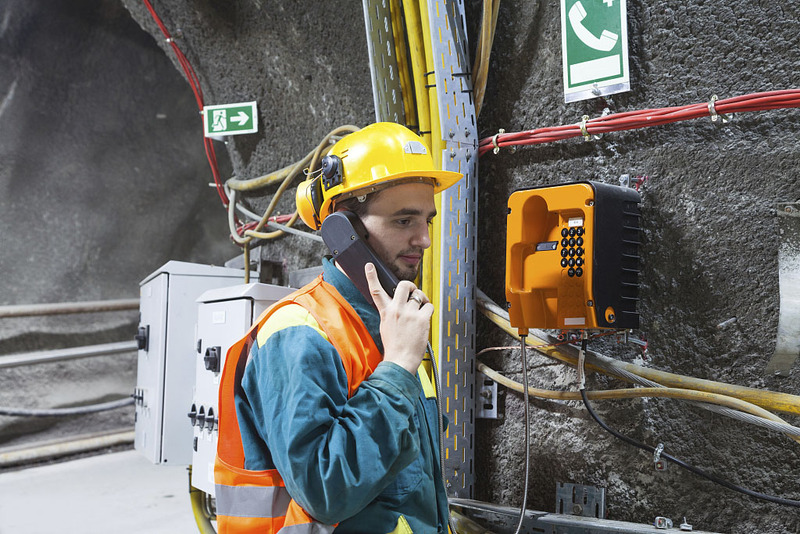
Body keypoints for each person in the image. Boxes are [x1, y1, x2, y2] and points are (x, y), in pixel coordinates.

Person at [215, 122, 463, 534]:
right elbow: (323, 492)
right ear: (344, 229)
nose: (424, 239)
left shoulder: (396, 324)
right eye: (404, 221)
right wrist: (398, 367)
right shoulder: (299, 333)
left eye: (427, 220)